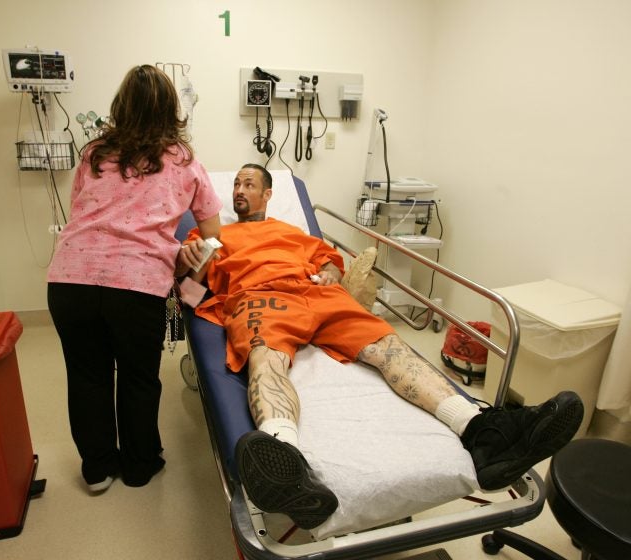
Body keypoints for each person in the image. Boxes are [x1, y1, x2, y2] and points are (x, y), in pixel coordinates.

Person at [182, 163, 584, 530]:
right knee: (266, 358)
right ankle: (287, 465)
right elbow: (189, 293)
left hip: (317, 295)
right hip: (260, 297)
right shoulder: (214, 233)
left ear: (268, 194)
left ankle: (483, 431)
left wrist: (326, 273)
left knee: (388, 347)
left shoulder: (295, 232)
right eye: (234, 184)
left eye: (248, 184)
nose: (238, 189)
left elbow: (328, 262)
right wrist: (194, 259)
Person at [47, 65, 222, 493]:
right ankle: (140, 466)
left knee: (87, 375)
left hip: (71, 279)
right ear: (171, 109)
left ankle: (97, 469)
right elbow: (214, 234)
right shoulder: (184, 161)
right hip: (137, 283)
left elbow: (81, 214)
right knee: (138, 376)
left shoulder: (94, 154)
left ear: (121, 106)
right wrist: (184, 257)